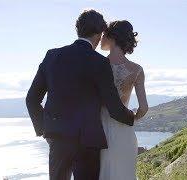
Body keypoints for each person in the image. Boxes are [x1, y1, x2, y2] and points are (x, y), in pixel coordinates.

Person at [26, 9, 135, 180]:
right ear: (99, 34)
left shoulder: (52, 56)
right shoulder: (99, 62)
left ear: (78, 30)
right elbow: (114, 107)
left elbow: (32, 99)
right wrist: (131, 117)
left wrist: (44, 129)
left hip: (58, 137)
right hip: (88, 141)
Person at [98, 20, 148, 180]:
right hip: (124, 131)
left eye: (104, 34)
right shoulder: (137, 70)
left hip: (99, 129)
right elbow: (144, 108)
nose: (101, 38)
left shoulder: (97, 64)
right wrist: (132, 117)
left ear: (111, 37)